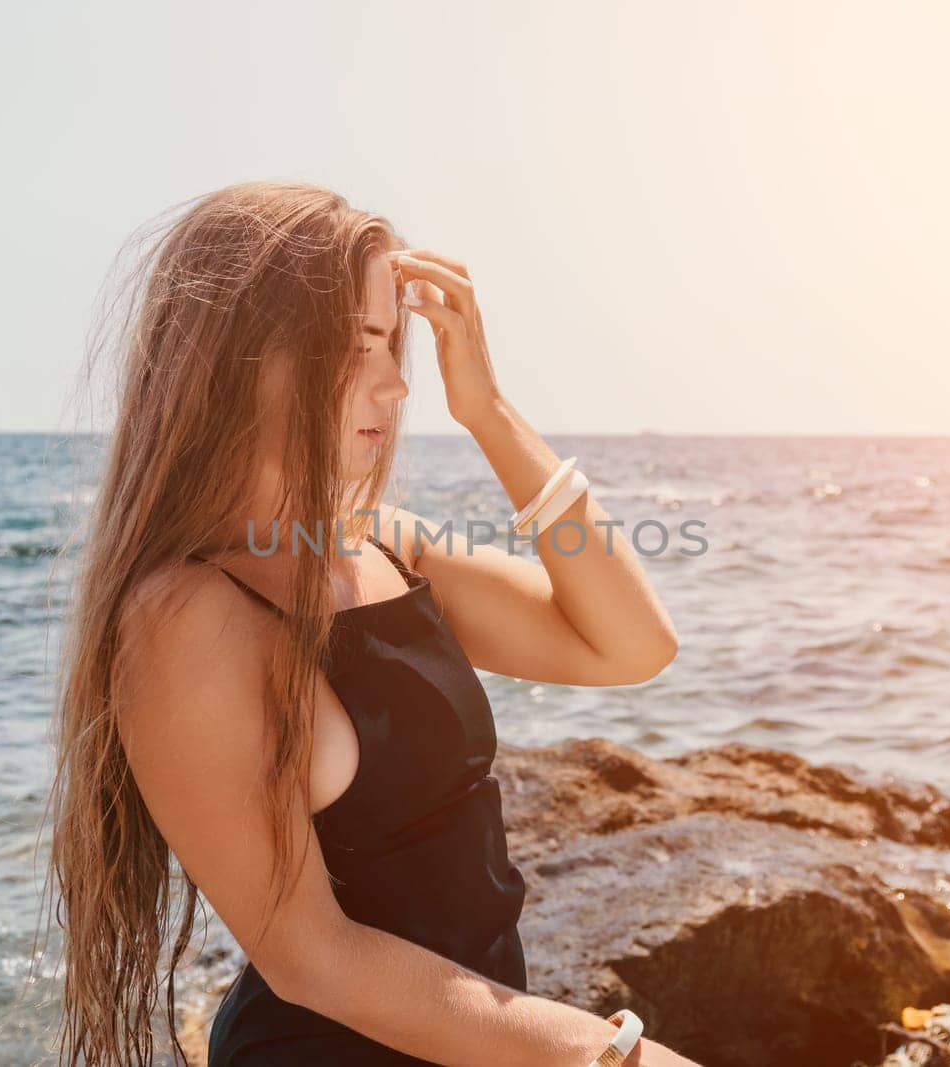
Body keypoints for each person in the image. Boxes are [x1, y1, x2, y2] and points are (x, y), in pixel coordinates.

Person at [44, 180, 698, 1065]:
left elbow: (629, 643)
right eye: (358, 346)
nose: (394, 385)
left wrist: (489, 413)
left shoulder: (377, 546)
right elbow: (311, 959)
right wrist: (607, 1053)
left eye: (394, 343)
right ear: (248, 356)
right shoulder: (185, 616)